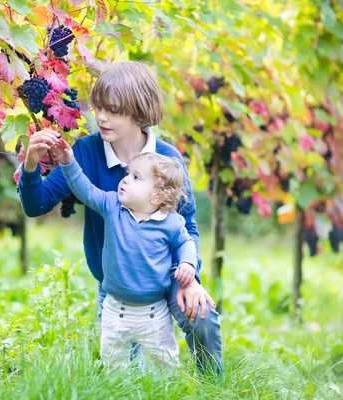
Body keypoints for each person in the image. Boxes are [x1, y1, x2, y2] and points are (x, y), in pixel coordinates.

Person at [18, 61, 222, 375]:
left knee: (203, 316)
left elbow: (188, 226)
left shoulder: (167, 159)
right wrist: (31, 164)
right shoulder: (86, 151)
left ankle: (213, 387)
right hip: (116, 285)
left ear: (139, 113)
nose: (100, 117)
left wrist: (191, 276)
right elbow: (37, 204)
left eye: (112, 110)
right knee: (122, 376)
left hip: (165, 275)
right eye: (98, 107)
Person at [55, 141, 197, 369]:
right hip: (114, 310)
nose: (125, 179)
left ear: (157, 195)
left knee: (166, 366)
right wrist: (68, 162)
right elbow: (86, 190)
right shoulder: (112, 207)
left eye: (136, 178)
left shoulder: (170, 222)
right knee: (113, 366)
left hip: (154, 313)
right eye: (128, 174)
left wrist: (188, 263)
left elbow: (185, 242)